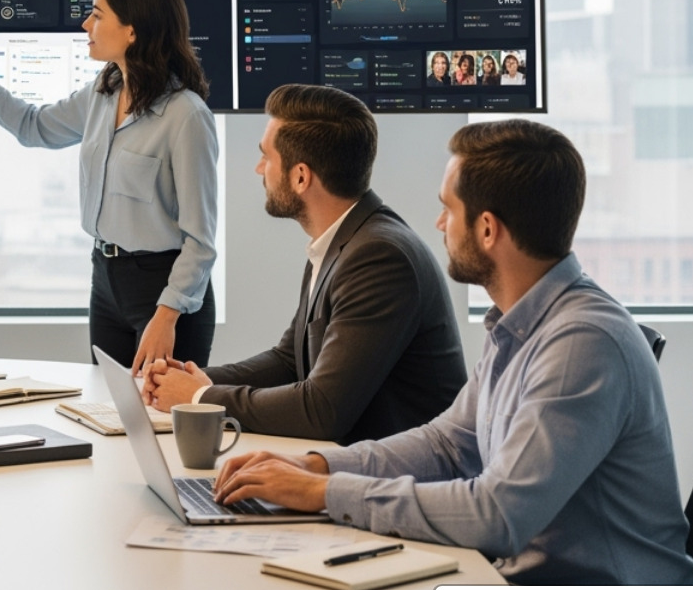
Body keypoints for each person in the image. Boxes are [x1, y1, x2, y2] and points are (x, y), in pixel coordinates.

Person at [213, 120, 693, 590]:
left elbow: (497, 514)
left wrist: (325, 491)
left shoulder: (581, 343)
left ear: (487, 229)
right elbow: (448, 443)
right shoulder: (521, 323)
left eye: (448, 208)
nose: (439, 223)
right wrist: (317, 464)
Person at [0, 0, 217, 373]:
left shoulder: (186, 116)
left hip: (165, 291)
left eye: (97, 15)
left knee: (161, 425)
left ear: (133, 30)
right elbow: (33, 126)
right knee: (110, 415)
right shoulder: (103, 92)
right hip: (106, 280)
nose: (85, 24)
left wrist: (166, 316)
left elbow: (200, 241)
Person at [141, 85, 467, 442]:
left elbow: (322, 410)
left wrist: (200, 398)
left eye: (267, 157)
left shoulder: (379, 258)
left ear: (300, 176)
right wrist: (189, 378)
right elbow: (290, 361)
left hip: (401, 482)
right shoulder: (343, 240)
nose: (258, 169)